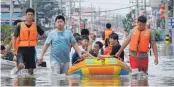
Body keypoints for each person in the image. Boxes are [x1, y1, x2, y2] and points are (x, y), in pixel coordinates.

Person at [12, 8, 44, 75]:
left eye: (31, 15)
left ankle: (29, 82)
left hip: (31, 49)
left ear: (33, 16)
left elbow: (42, 34)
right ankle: (15, 73)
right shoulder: (20, 25)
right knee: (21, 65)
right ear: (26, 15)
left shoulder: (35, 25)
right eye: (28, 14)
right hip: (21, 49)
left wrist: (36, 39)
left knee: (31, 71)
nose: (30, 16)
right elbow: (14, 37)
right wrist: (14, 49)